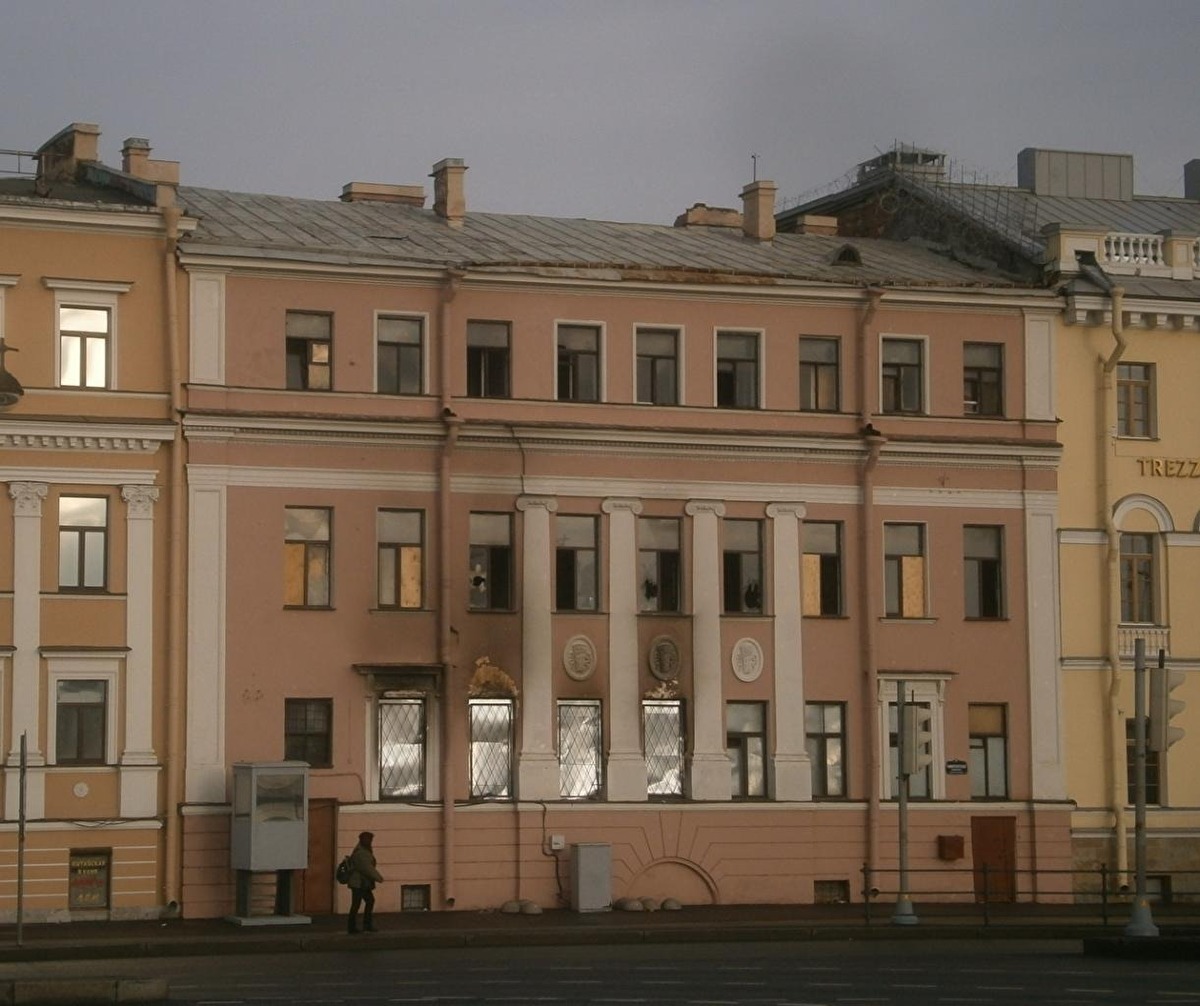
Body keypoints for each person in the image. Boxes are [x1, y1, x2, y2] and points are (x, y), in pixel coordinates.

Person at [346, 831, 384, 933]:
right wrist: (379, 878)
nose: (370, 841)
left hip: (361, 883)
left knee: (363, 902)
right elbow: (367, 868)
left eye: (370, 839)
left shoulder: (362, 850)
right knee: (360, 903)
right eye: (368, 839)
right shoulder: (361, 852)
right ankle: (357, 926)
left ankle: (359, 926)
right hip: (359, 883)